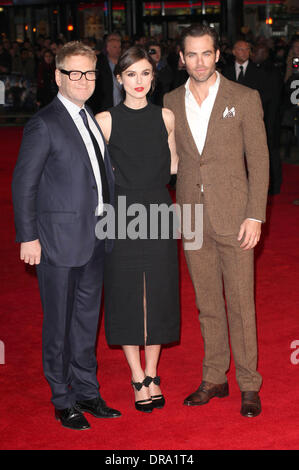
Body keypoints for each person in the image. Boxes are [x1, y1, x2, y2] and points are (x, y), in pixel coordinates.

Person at [12, 41, 121, 431]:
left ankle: (88, 391)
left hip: (95, 238)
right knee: (58, 323)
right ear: (58, 76)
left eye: (90, 73)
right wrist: (28, 237)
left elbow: (98, 178)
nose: (83, 80)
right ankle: (62, 398)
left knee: (87, 320)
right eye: (74, 73)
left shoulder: (90, 115)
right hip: (57, 242)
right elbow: (23, 184)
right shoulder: (44, 122)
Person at [164, 24, 269, 418]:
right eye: (191, 54)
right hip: (191, 216)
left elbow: (259, 160)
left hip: (236, 215)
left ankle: (248, 383)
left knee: (241, 303)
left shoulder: (243, 97)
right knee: (207, 304)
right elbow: (173, 159)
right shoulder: (171, 100)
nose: (199, 61)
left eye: (206, 53)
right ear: (181, 58)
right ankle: (214, 376)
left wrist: (255, 214)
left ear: (217, 54)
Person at [96, 46, 180, 413]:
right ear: (119, 79)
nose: (139, 82)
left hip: (160, 210)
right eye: (131, 74)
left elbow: (174, 164)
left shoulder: (166, 117)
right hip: (120, 213)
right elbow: (95, 177)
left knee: (158, 292)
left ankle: (152, 371)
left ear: (153, 76)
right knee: (125, 291)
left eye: (145, 74)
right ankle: (135, 375)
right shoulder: (104, 121)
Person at [87, 33, 122, 113]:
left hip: (121, 106)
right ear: (108, 48)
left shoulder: (124, 64)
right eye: (115, 47)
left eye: (119, 47)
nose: (118, 50)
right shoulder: (100, 64)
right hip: (105, 107)